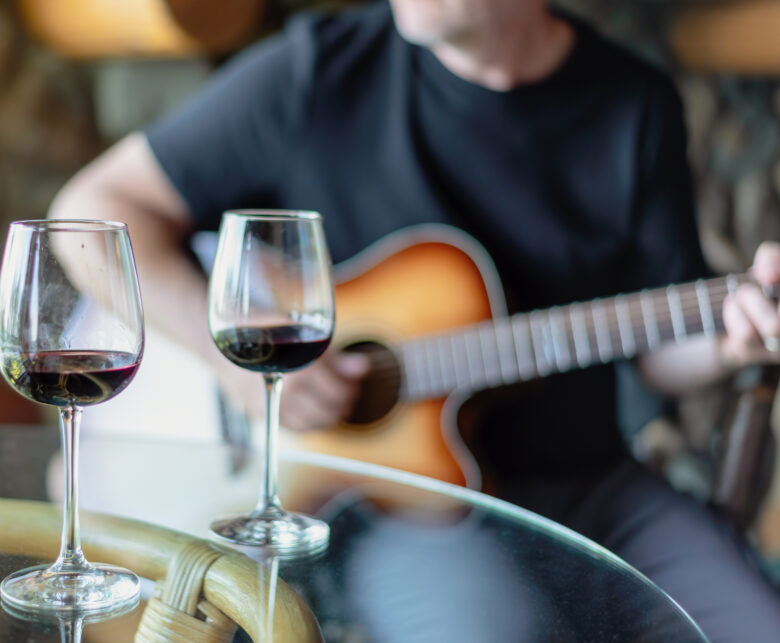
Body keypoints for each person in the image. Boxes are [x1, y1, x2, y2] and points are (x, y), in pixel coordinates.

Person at [49, 0, 780, 638]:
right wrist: (232, 363)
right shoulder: (317, 74)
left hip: (595, 485)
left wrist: (732, 337)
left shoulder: (634, 102)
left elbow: (661, 354)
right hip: (402, 512)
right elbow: (95, 209)